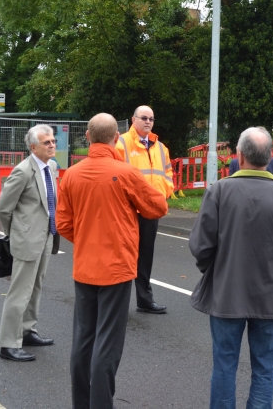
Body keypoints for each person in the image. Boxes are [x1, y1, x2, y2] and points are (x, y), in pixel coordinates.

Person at [190, 127, 273, 409]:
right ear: (270, 158)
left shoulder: (218, 191)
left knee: (224, 366)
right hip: (271, 295)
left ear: (239, 156)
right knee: (265, 370)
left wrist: (215, 270)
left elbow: (201, 247)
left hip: (226, 293)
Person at [57, 113, 169, 409]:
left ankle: (82, 403)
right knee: (107, 343)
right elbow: (157, 207)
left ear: (87, 136)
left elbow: (63, 224)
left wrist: (86, 240)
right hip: (117, 268)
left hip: (84, 267)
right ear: (116, 138)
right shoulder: (126, 173)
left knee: (83, 340)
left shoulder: (71, 175)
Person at [0, 124, 60, 362]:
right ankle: (8, 344)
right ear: (33, 147)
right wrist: (16, 232)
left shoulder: (51, 167)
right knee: (19, 292)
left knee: (36, 287)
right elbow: (3, 208)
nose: (52, 145)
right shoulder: (23, 171)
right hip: (27, 239)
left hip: (46, 236)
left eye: (53, 141)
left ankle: (28, 330)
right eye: (47, 142)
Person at [115, 105, 174, 314]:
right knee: (123, 256)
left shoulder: (160, 147)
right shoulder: (121, 143)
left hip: (149, 211)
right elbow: (114, 176)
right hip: (127, 211)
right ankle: (118, 302)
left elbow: (167, 176)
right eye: (144, 118)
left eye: (151, 118)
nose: (148, 121)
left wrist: (161, 196)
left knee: (145, 257)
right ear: (133, 120)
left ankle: (144, 299)